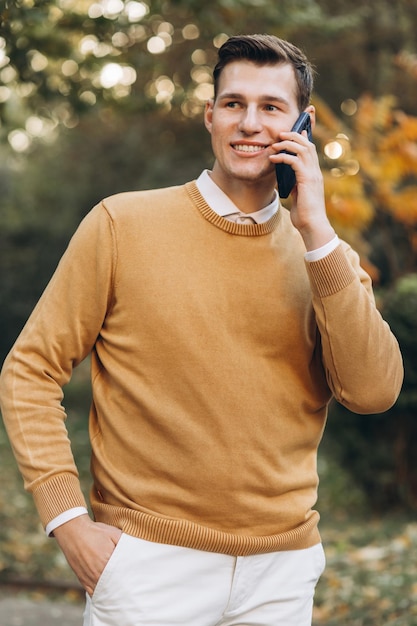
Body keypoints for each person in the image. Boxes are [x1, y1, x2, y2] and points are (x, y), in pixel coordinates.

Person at [0, 33, 403, 626]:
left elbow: (373, 392)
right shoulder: (121, 224)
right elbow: (30, 369)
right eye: (234, 103)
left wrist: (316, 232)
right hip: (146, 567)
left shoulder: (326, 258)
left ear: (304, 125)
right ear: (209, 116)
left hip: (281, 573)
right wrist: (69, 523)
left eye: (271, 107)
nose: (250, 123)